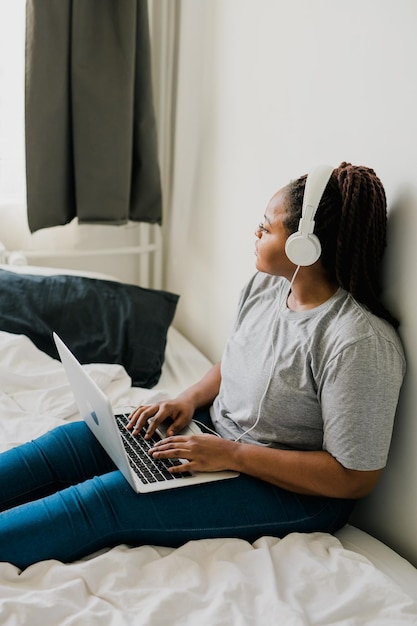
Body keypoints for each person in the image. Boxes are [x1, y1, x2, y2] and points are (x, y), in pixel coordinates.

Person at [0, 162, 405, 570]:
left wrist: (232, 455)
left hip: (295, 491)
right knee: (67, 445)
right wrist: (188, 400)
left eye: (266, 228)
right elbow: (235, 361)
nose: (256, 233)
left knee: (102, 500)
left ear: (306, 246)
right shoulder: (268, 285)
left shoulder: (357, 341)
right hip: (215, 435)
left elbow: (353, 477)